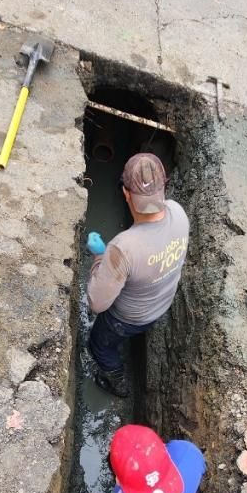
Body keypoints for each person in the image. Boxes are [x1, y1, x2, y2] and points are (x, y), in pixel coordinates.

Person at [87, 152, 190, 397]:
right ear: (163, 187)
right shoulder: (179, 212)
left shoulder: (123, 248)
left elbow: (96, 303)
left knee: (99, 346)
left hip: (125, 320)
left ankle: (118, 383)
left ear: (126, 193)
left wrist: (100, 257)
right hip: (160, 305)